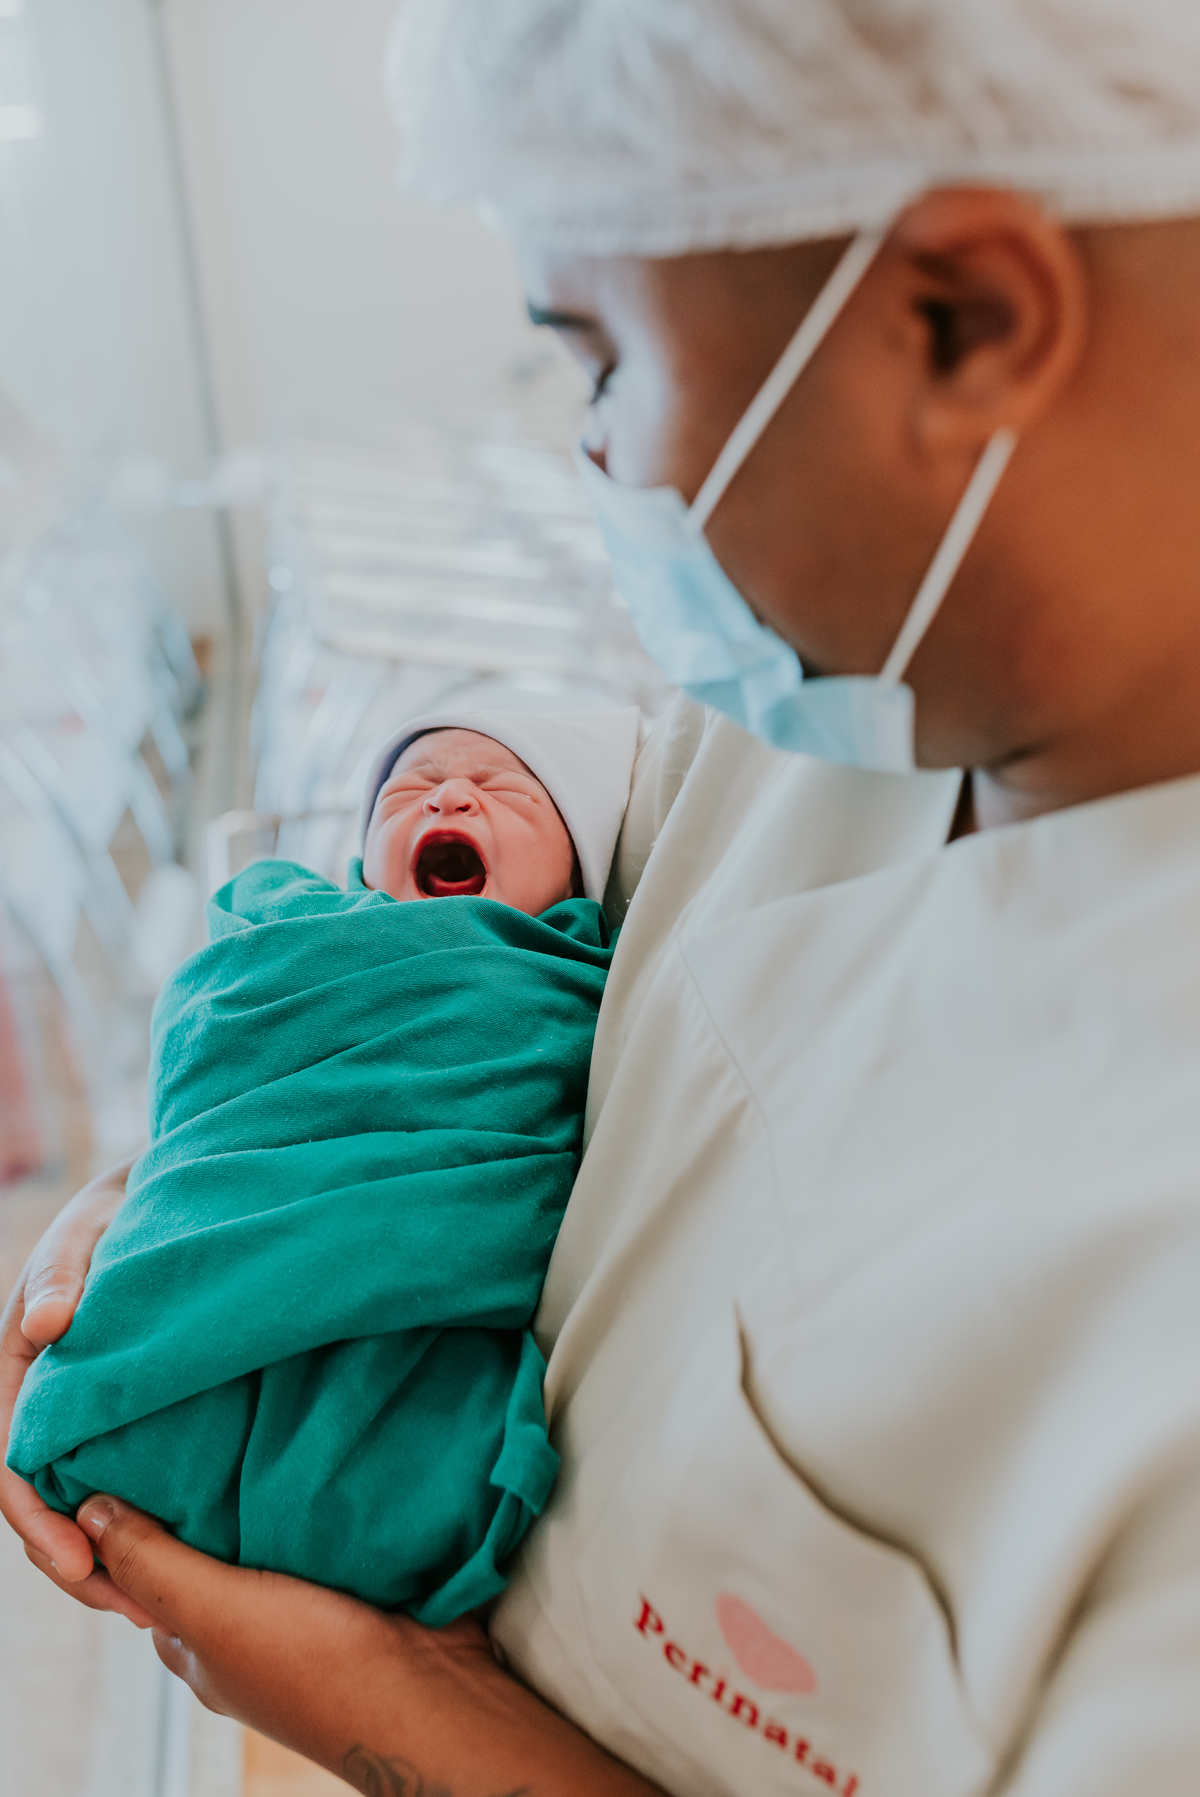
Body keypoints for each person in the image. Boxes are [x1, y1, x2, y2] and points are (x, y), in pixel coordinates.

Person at [5, 2, 1200, 1793]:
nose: (590, 453)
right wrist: (273, 1145)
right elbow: (535, 909)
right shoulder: (852, 690)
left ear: (964, 322)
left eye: (605, 362)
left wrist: (387, 1712)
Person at [7, 711, 637, 1619]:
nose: (450, 792)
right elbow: (214, 1035)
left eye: (503, 788)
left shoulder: (563, 973)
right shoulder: (290, 931)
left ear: (577, 871)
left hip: (412, 1272)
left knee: (412, 1461)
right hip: (225, 1225)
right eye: (409, 788)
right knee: (135, 1400)